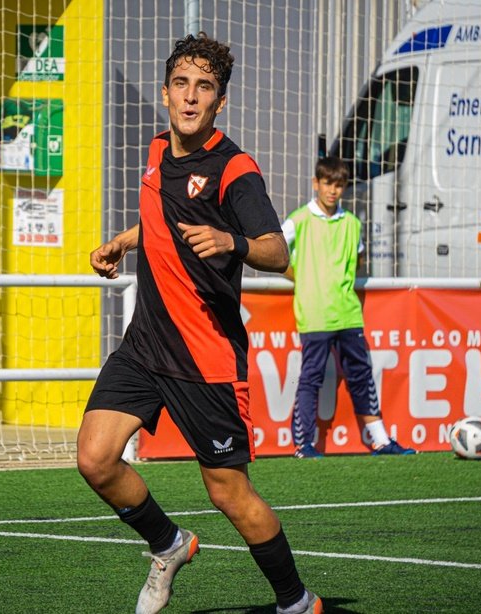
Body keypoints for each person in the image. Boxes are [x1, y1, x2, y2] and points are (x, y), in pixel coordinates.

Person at [79, 33, 322, 614]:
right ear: (165, 93)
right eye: (182, 85)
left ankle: (297, 603)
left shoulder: (235, 168)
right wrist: (124, 241)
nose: (191, 98)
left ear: (220, 102)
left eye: (204, 88)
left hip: (206, 356)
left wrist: (229, 241)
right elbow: (163, 216)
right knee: (95, 458)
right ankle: (169, 544)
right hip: (145, 345)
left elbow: (276, 252)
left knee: (229, 493)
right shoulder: (159, 148)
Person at [282, 157, 416, 459]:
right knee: (311, 377)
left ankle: (380, 441)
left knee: (361, 376)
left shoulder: (353, 223)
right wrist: (300, 275)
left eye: (339, 184)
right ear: (316, 183)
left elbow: (357, 263)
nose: (333, 190)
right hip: (315, 314)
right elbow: (276, 254)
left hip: (348, 314)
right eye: (328, 183)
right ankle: (304, 444)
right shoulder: (298, 220)